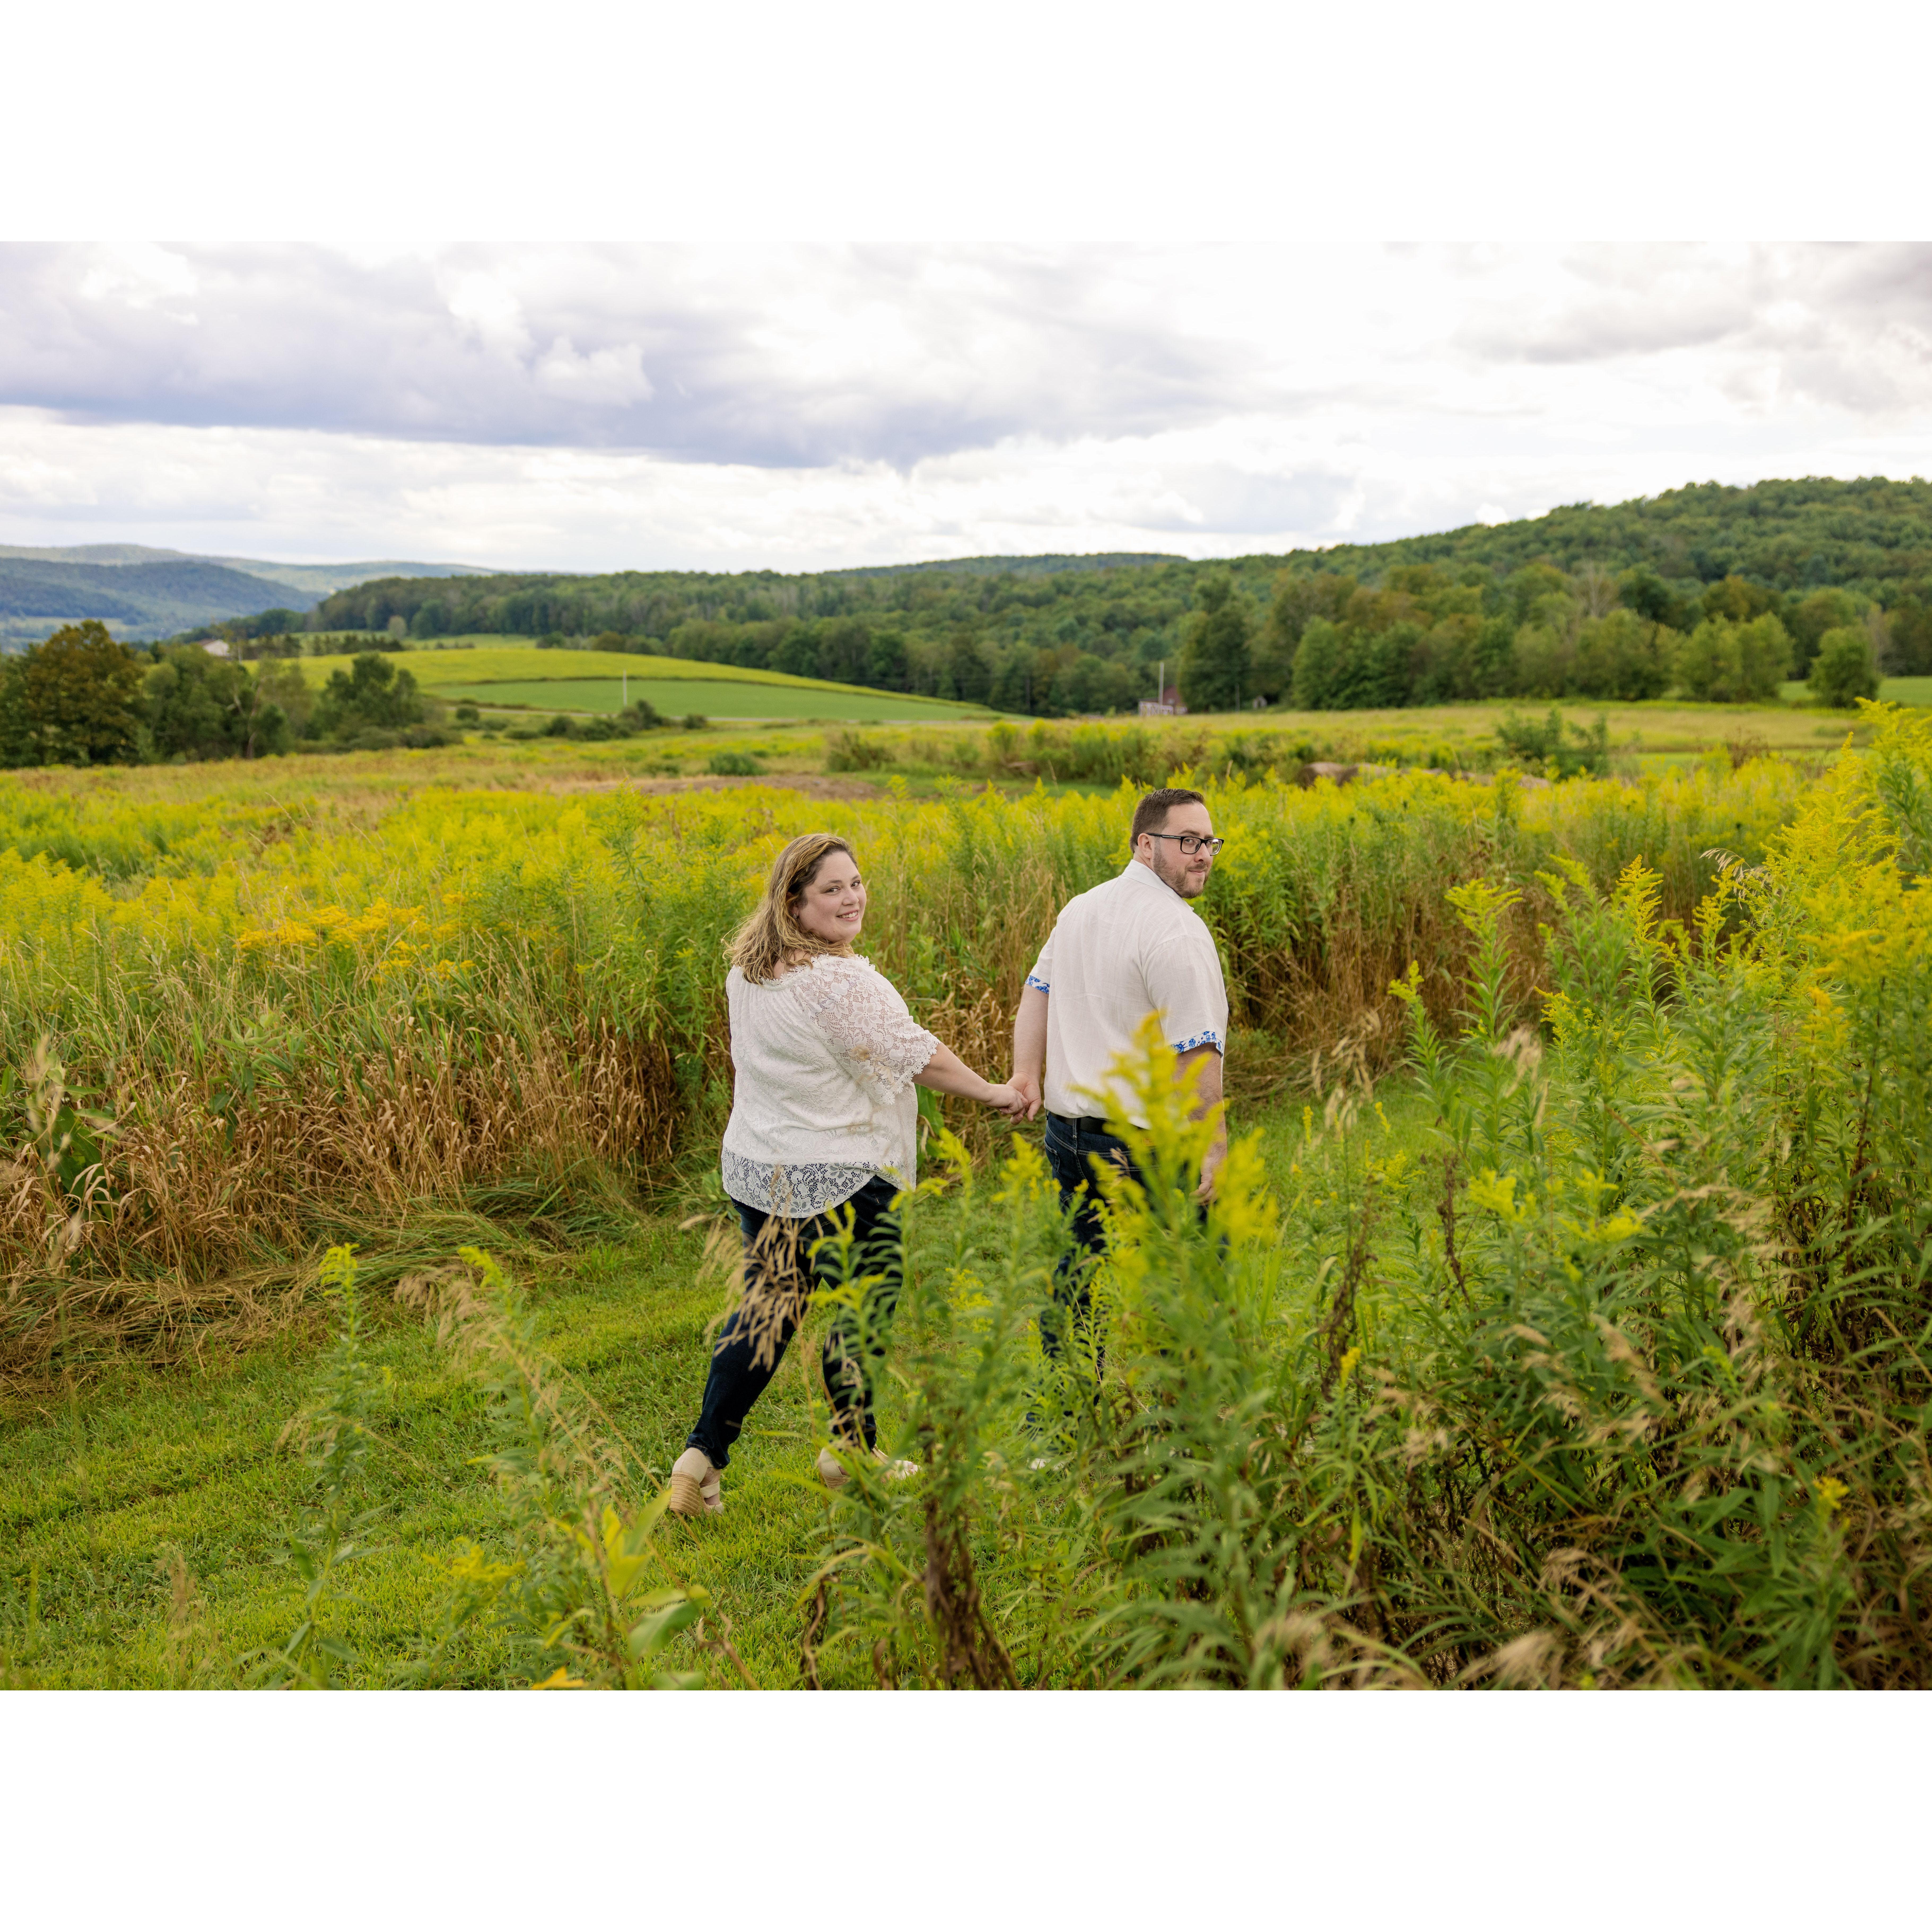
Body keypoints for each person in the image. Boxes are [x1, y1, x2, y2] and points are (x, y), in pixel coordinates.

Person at [669, 832, 1027, 1519]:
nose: (852, 897)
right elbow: (914, 1055)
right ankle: (850, 1448)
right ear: (793, 900)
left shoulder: (748, 971)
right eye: (831, 888)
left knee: (768, 1308)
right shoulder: (838, 978)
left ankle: (698, 1459)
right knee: (862, 1304)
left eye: (856, 882)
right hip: (841, 1174)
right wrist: (993, 1092)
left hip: (759, 1167)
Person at [1008, 786, 1229, 1374]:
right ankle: (1187, 1422)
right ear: (1143, 844)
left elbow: (1037, 988)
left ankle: (1064, 1418)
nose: (1202, 854)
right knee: (1189, 1273)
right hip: (1143, 1142)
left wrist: (1027, 1074)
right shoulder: (1176, 930)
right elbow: (1197, 1051)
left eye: (1208, 842)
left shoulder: (1084, 906)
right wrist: (1213, 1144)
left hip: (1069, 1134)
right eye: (1187, 842)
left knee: (1079, 1276)